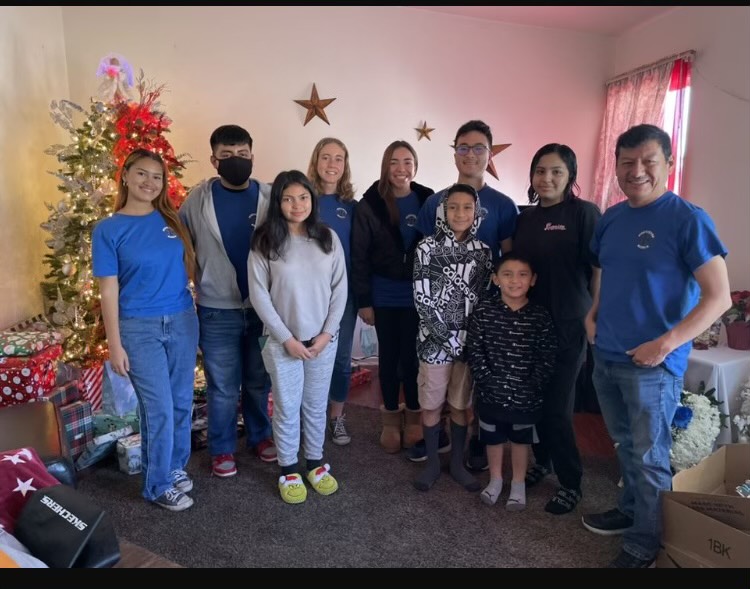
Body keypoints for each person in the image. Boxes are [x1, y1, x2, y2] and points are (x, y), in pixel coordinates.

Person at [582, 124, 731, 568]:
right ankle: (632, 512)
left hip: (652, 364)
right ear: (615, 166)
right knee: (625, 445)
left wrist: (664, 345)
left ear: (668, 163)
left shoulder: (688, 219)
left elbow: (719, 297)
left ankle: (645, 543)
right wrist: (593, 312)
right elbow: (604, 270)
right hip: (607, 353)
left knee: (650, 457)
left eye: (648, 161)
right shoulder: (612, 218)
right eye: (627, 162)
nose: (637, 171)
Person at [93, 148, 199, 512]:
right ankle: (156, 485)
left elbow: (188, 269)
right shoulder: (108, 230)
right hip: (138, 329)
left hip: (182, 321)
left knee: (181, 402)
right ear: (125, 175)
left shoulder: (172, 221)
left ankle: (174, 466)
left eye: (157, 176)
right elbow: (109, 290)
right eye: (142, 173)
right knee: (159, 410)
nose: (149, 182)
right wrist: (115, 344)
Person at [413, 119, 518, 466]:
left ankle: (472, 444)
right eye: (463, 147)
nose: (470, 154)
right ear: (454, 152)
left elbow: (508, 262)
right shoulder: (434, 202)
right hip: (437, 328)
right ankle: (437, 442)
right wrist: (441, 331)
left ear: (489, 154)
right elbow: (426, 266)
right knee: (434, 391)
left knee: (470, 391)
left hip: (479, 320)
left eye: (478, 148)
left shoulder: (503, 205)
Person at [179, 124, 276, 479]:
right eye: (227, 155)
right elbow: (182, 247)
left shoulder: (270, 197)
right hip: (217, 310)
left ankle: (260, 436)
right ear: (214, 160)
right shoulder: (197, 200)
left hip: (262, 309)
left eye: (242, 154)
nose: (236, 160)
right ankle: (222, 448)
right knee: (222, 387)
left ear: (252, 155)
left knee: (258, 381)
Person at [512, 143, 602, 514]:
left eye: (556, 171)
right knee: (533, 401)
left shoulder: (584, 213)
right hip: (531, 323)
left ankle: (570, 481)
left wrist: (593, 315)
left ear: (570, 176)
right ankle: (542, 461)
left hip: (569, 323)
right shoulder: (526, 218)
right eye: (540, 171)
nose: (546, 178)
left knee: (557, 407)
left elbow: (598, 269)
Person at [248, 170, 347, 504]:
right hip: (282, 342)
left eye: (303, 197)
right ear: (277, 202)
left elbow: (340, 289)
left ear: (312, 200)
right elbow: (259, 296)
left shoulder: (328, 238)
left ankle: (315, 463)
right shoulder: (265, 242)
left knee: (316, 405)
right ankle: (289, 469)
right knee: (287, 407)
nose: (297, 205)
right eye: (288, 199)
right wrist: (286, 338)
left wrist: (327, 334)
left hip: (322, 341)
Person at [351, 140, 434, 453]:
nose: (401, 169)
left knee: (411, 359)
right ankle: (389, 419)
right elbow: (359, 255)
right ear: (385, 166)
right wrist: (364, 301)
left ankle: (413, 417)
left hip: (418, 296)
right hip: (383, 294)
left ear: (416, 166)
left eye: (407, 161)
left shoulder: (428, 199)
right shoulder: (369, 204)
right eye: (394, 162)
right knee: (388, 359)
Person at [412, 184, 492, 492]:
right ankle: (433, 463)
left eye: (467, 207)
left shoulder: (483, 252)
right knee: (431, 405)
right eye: (453, 207)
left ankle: (457, 463)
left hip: (468, 346)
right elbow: (422, 300)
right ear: (443, 210)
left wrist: (469, 342)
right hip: (433, 343)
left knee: (461, 405)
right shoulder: (426, 248)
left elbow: (484, 300)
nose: (460, 213)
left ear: (476, 212)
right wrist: (448, 340)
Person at [465, 253, 557, 511]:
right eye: (507, 274)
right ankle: (495, 480)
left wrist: (532, 385)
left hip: (526, 396)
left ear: (533, 280)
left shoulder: (539, 316)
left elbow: (547, 355)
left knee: (520, 440)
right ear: (496, 279)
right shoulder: (484, 311)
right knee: (492, 439)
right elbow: (475, 350)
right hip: (490, 393)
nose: (515, 280)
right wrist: (487, 381)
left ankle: (518, 484)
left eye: (522, 275)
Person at [307, 138, 357, 446]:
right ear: (316, 161)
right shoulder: (302, 200)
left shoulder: (352, 207)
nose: (332, 164)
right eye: (326, 157)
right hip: (308, 297)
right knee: (307, 356)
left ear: (345, 165)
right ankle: (308, 416)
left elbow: (360, 253)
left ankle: (336, 416)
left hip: (344, 298)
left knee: (340, 360)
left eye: (339, 158)